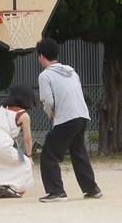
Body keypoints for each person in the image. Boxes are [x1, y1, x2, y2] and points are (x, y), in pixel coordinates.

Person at [36, 38, 103, 202]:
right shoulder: (71, 72)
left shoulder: (45, 75)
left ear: (42, 56)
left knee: (49, 155)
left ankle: (56, 191)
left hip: (66, 117)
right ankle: (91, 188)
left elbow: (47, 100)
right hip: (82, 115)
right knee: (78, 151)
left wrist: (50, 113)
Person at [0, 83, 36, 198]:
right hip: (1, 142)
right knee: (25, 163)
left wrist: (22, 155)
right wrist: (29, 156)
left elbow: (16, 142)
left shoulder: (2, 108)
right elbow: (28, 139)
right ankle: (16, 191)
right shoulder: (23, 115)